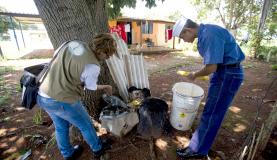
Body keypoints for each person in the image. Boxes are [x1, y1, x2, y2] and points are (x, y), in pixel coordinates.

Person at [172, 18, 245, 159]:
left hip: (228, 74)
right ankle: (199, 144)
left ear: (188, 30)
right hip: (224, 72)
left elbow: (211, 67)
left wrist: (195, 75)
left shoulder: (209, 35)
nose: (184, 40)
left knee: (212, 114)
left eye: (182, 37)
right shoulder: (206, 32)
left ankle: (197, 150)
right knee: (210, 111)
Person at [37, 33, 117, 160]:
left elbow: (57, 59)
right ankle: (98, 149)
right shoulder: (93, 66)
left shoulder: (73, 43)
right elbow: (91, 87)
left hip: (43, 94)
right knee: (86, 125)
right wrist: (106, 87)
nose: (106, 58)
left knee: (61, 127)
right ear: (101, 51)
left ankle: (68, 154)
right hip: (63, 99)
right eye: (107, 55)